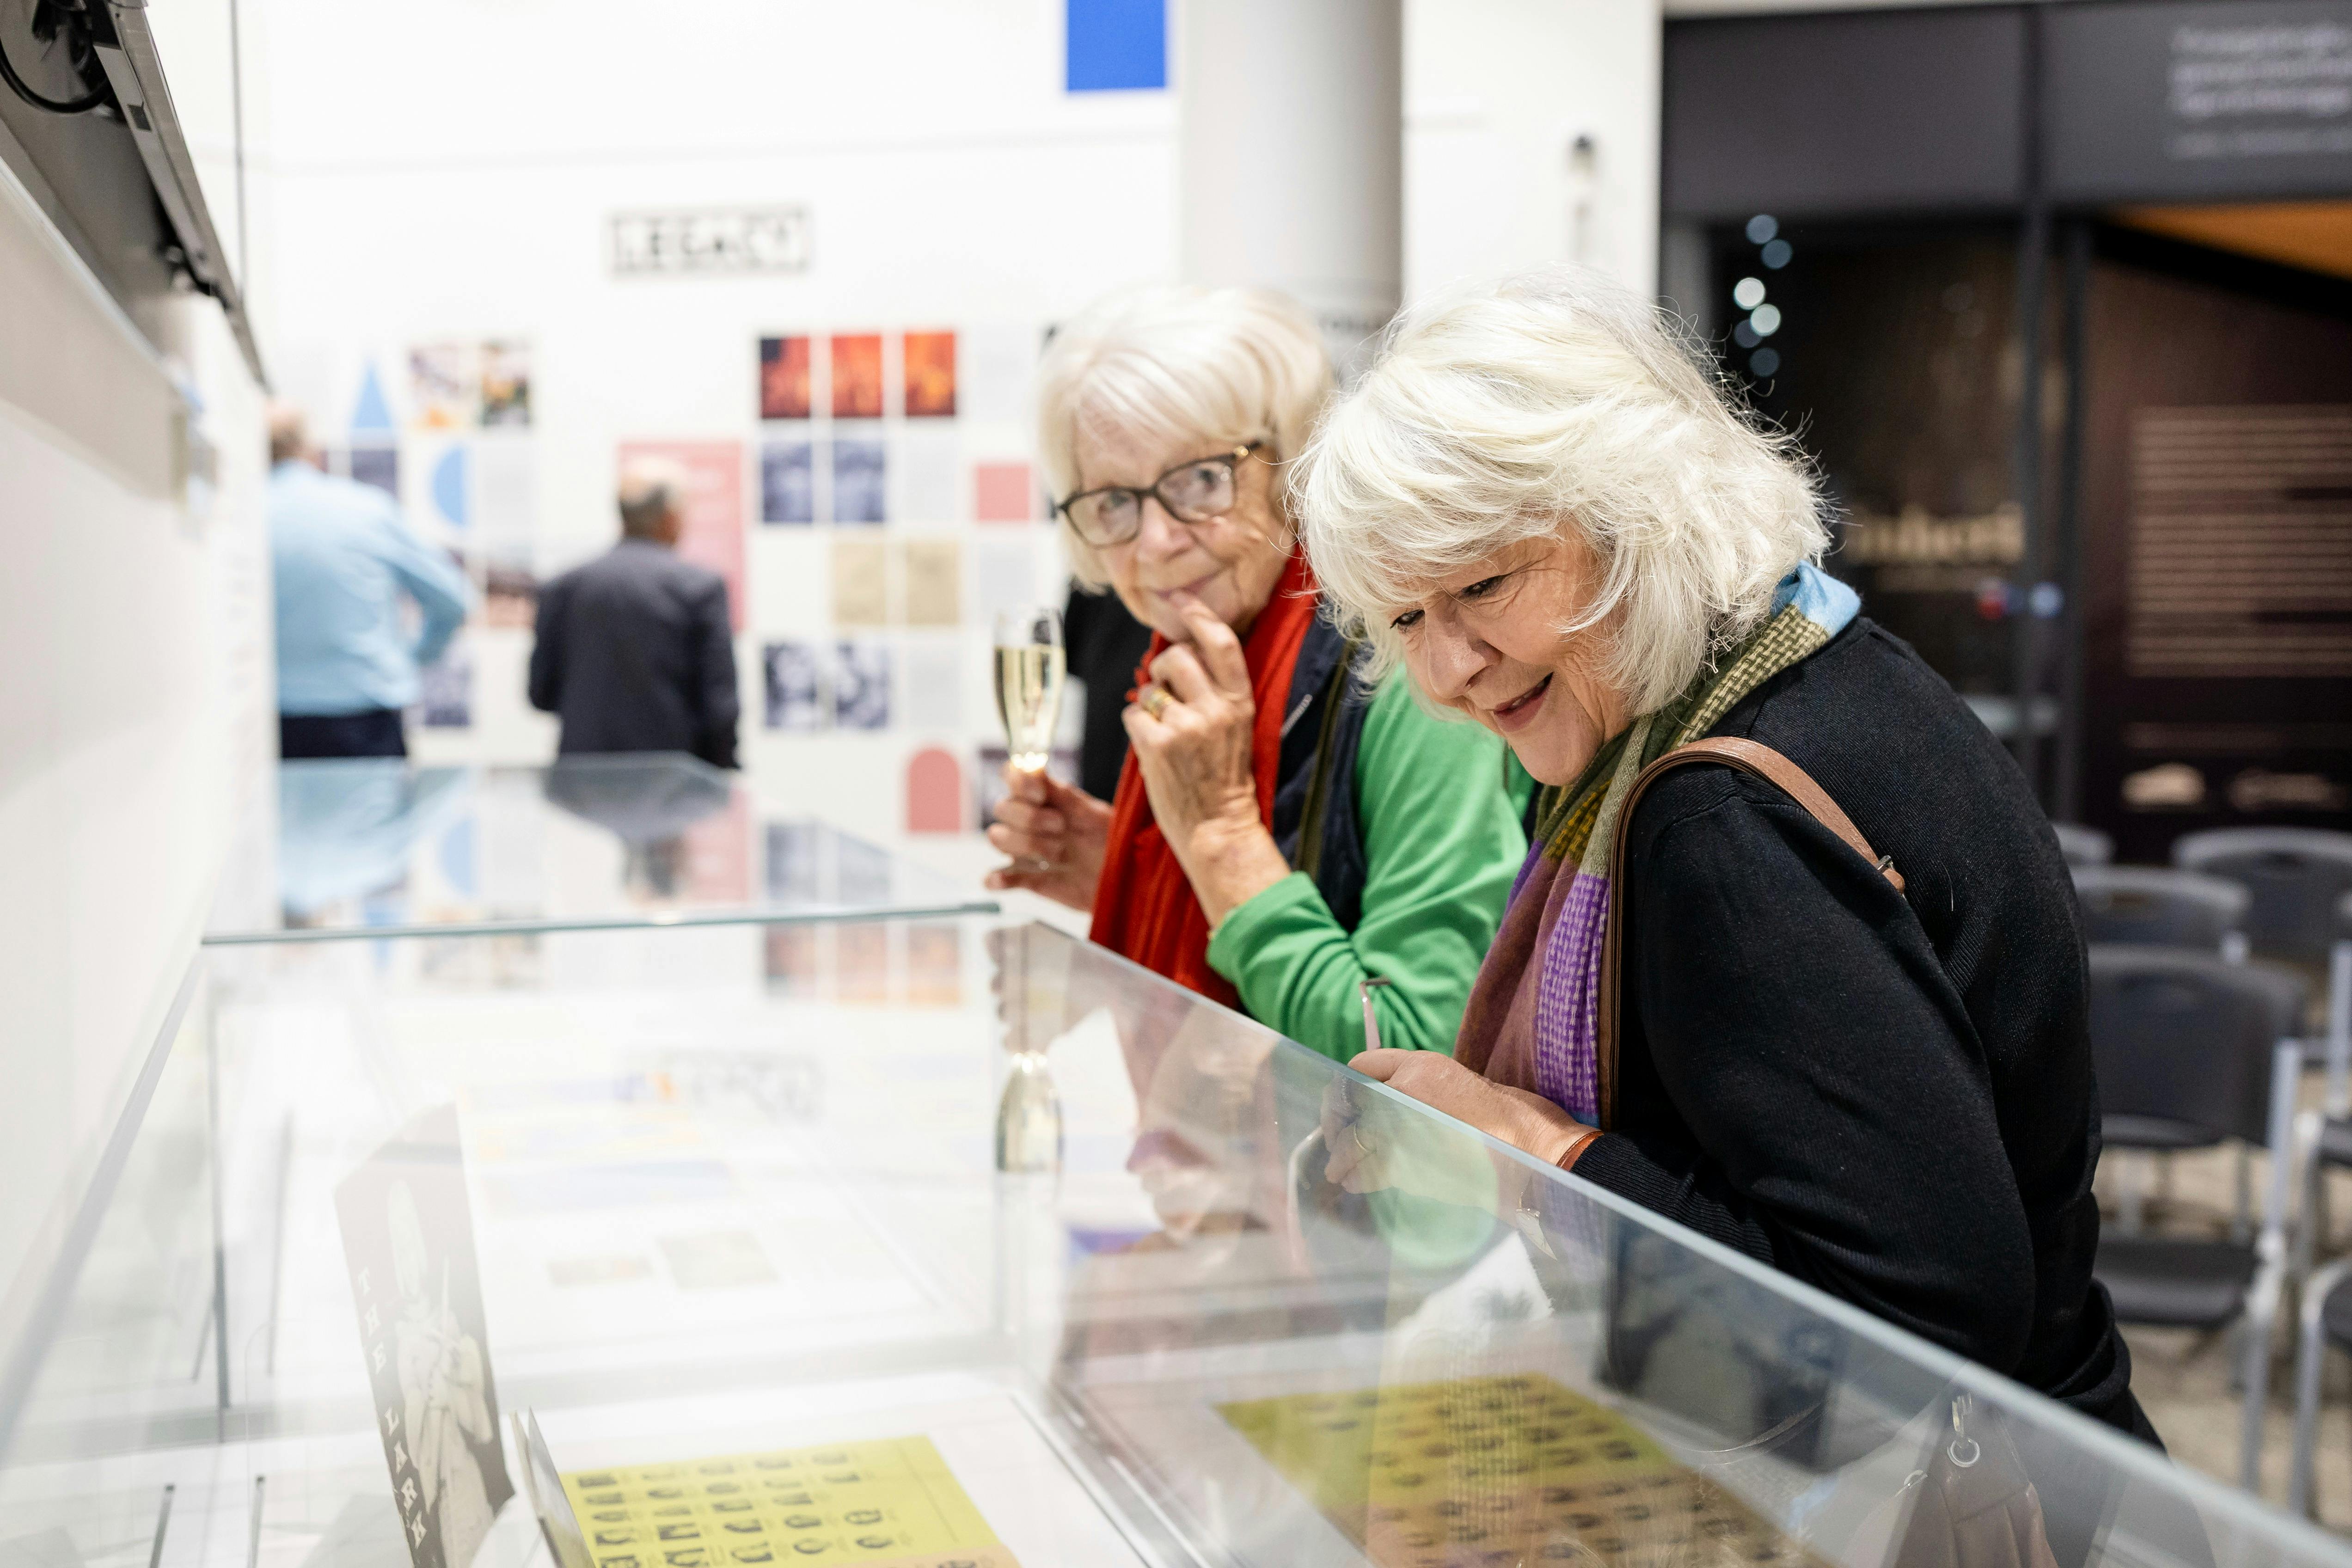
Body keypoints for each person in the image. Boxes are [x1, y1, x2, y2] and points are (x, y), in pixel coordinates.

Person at [1292, 266, 2151, 1441]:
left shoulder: (1718, 823)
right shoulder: (1819, 660)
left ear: (1629, 516)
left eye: (1480, 585)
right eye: (1403, 619)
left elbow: (1910, 1329)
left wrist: (1528, 1147)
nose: (1446, 669)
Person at [986, 285, 1532, 1063]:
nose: (1156, 540)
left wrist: (1216, 840)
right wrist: (1136, 869)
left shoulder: (1404, 661)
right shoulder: (1193, 662)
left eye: (1202, 480)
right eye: (1113, 500)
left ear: (1288, 462)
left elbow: (1414, 1054)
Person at [268, 405, 471, 759]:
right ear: (311, 452)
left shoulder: (240, 516)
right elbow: (453, 599)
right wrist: (415, 657)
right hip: (365, 717)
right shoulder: (367, 509)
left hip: (268, 721)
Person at [529, 458, 740, 770]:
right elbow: (719, 704)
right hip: (674, 780)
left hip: (582, 780)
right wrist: (725, 774)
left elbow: (541, 695)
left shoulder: (564, 587)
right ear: (670, 518)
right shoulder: (699, 588)